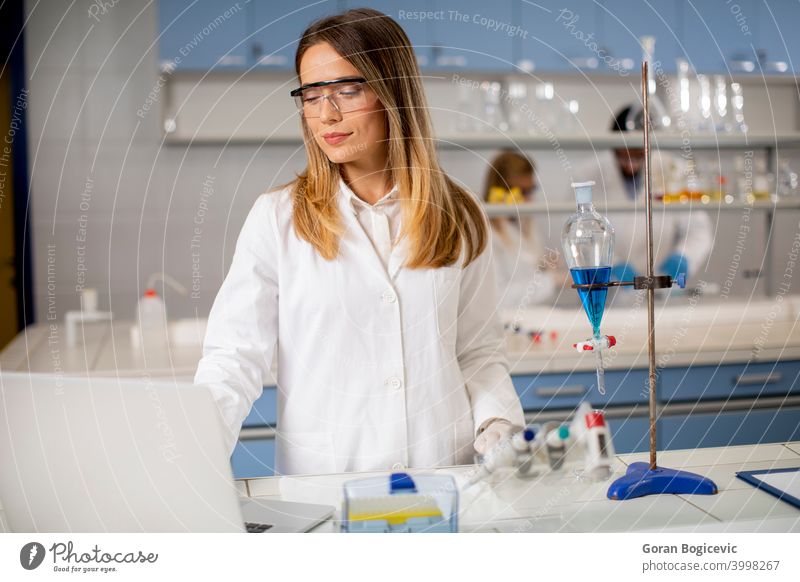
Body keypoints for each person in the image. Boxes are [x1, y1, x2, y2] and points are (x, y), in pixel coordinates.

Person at [194, 8, 524, 476]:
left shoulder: (460, 212)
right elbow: (234, 357)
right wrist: (190, 455)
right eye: (311, 94)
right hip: (327, 482)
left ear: (394, 92)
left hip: (445, 474)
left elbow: (478, 350)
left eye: (348, 90)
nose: (326, 113)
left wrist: (497, 421)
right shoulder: (277, 219)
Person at [577, 104, 713, 284]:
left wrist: (683, 257)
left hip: (662, 283)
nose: (631, 164)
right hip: (610, 290)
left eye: (638, 156)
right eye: (624, 156)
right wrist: (610, 264)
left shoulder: (672, 169)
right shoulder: (588, 174)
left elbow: (698, 229)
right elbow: (581, 233)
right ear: (613, 147)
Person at [483, 150, 560, 312]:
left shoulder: (525, 223)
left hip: (535, 316)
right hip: (507, 322)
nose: (529, 199)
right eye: (523, 192)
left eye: (531, 190)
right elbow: (500, 297)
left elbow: (528, 269)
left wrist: (545, 266)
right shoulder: (486, 234)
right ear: (500, 191)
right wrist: (552, 281)